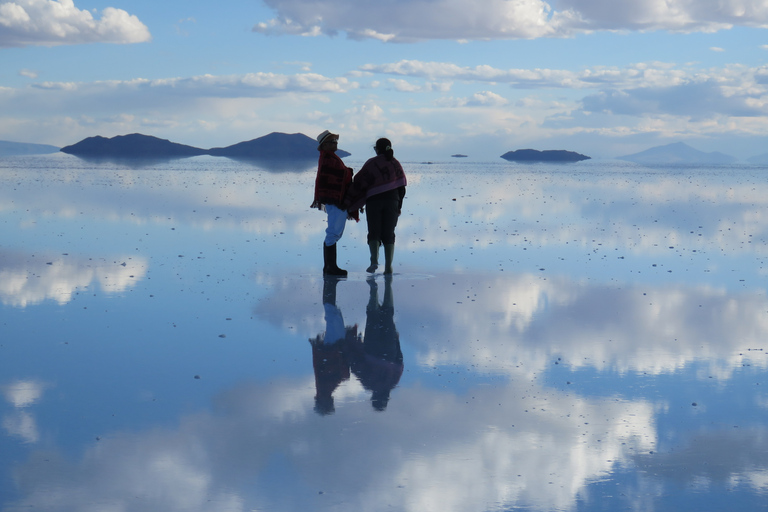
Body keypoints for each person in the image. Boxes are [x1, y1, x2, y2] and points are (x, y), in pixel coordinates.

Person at [345, 138, 407, 274]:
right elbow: (402, 187)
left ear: (376, 149)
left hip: (374, 201)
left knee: (374, 231)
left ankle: (373, 261)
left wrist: (352, 199)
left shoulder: (372, 163)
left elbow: (360, 181)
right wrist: (399, 206)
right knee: (389, 233)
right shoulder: (395, 163)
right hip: (392, 200)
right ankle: (389, 266)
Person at [311, 130, 356, 276]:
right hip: (334, 200)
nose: (335, 144)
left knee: (334, 231)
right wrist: (348, 172)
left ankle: (330, 266)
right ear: (325, 145)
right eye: (332, 142)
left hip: (335, 199)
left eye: (336, 141)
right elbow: (339, 174)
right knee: (333, 231)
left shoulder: (329, 157)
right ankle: (330, 267)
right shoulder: (328, 158)